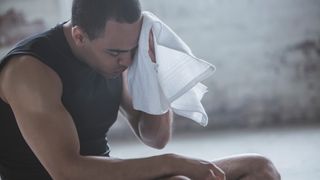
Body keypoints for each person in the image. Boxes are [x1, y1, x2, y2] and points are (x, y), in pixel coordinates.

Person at [0, 0, 281, 179]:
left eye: (133, 50)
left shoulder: (116, 59)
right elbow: (66, 171)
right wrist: (173, 164)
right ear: (79, 35)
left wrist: (154, 70)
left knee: (260, 168)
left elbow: (155, 136)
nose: (126, 61)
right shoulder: (31, 70)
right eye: (115, 52)